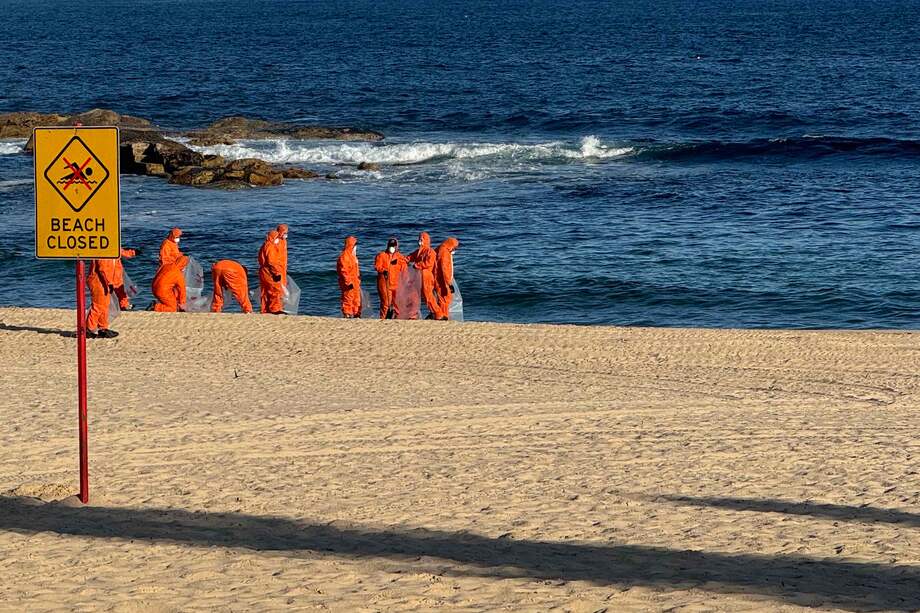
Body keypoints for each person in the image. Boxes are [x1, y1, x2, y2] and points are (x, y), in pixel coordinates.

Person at [408, 231, 439, 319]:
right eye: (419, 240)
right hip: (418, 276)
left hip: (426, 276)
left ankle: (436, 313)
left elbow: (428, 263)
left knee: (428, 295)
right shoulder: (419, 251)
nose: (419, 242)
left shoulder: (430, 252)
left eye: (421, 240)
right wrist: (402, 260)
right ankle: (413, 314)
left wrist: (416, 265)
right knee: (414, 295)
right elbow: (410, 257)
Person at [374, 238, 407, 319]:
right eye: (390, 246)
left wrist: (405, 280)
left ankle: (397, 318)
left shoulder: (399, 257)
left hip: (396, 283)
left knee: (397, 303)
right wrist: (383, 270)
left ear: (396, 247)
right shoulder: (381, 255)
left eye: (393, 246)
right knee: (386, 303)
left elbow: (404, 268)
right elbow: (377, 266)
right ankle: (383, 318)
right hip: (385, 283)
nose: (391, 248)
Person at [85, 259, 119, 338]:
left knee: (105, 305)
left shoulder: (111, 251)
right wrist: (109, 282)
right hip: (98, 282)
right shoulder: (104, 252)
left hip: (104, 281)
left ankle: (103, 328)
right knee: (98, 306)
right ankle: (89, 329)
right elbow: (102, 268)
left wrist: (132, 253)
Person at [258, 230, 285, 314]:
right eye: (277, 237)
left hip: (263, 270)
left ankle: (265, 309)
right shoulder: (271, 247)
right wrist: (276, 273)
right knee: (275, 289)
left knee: (265, 290)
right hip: (269, 271)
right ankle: (275, 309)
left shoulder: (264, 245)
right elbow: (271, 262)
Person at [434, 237, 460, 320]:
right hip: (442, 279)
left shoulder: (443, 250)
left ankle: (442, 315)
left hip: (442, 278)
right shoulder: (444, 252)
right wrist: (449, 283)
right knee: (445, 298)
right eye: (454, 247)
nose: (455, 249)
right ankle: (443, 315)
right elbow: (444, 268)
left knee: (444, 297)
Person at [336, 236, 362, 318]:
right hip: (348, 282)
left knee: (356, 298)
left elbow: (355, 270)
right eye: (355, 245)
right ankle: (347, 314)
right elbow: (344, 271)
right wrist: (348, 282)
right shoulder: (345, 256)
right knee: (348, 298)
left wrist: (357, 279)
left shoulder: (352, 256)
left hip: (355, 281)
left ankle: (355, 313)